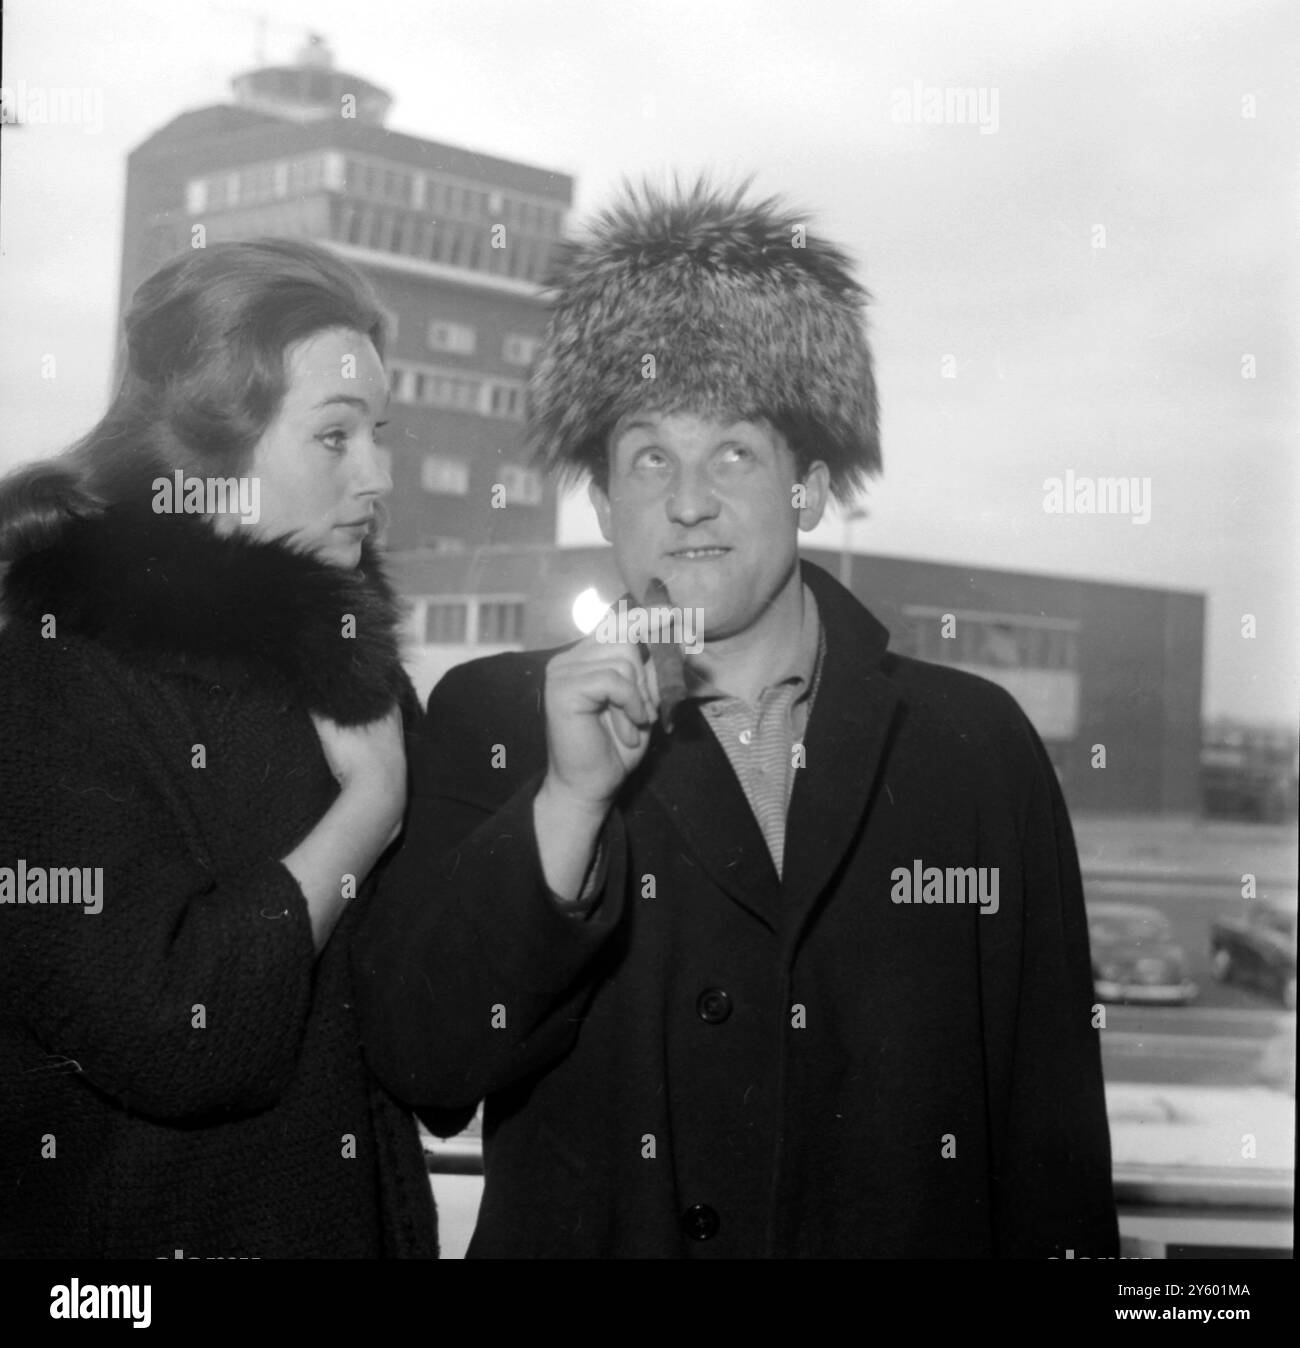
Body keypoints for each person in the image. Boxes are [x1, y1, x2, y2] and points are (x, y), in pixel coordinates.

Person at [352, 181, 1119, 1258]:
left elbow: (1050, 1132)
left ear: (807, 487)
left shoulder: (972, 745)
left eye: (733, 452)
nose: (688, 499)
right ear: (605, 500)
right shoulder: (501, 717)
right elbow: (428, 1064)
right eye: (649, 456)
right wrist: (568, 803)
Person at [0, 238, 440, 1258]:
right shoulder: (51, 674)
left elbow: (427, 1042)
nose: (377, 476)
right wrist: (366, 813)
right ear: (210, 454)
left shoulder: (352, 678)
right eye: (334, 437)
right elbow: (171, 1031)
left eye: (380, 433)